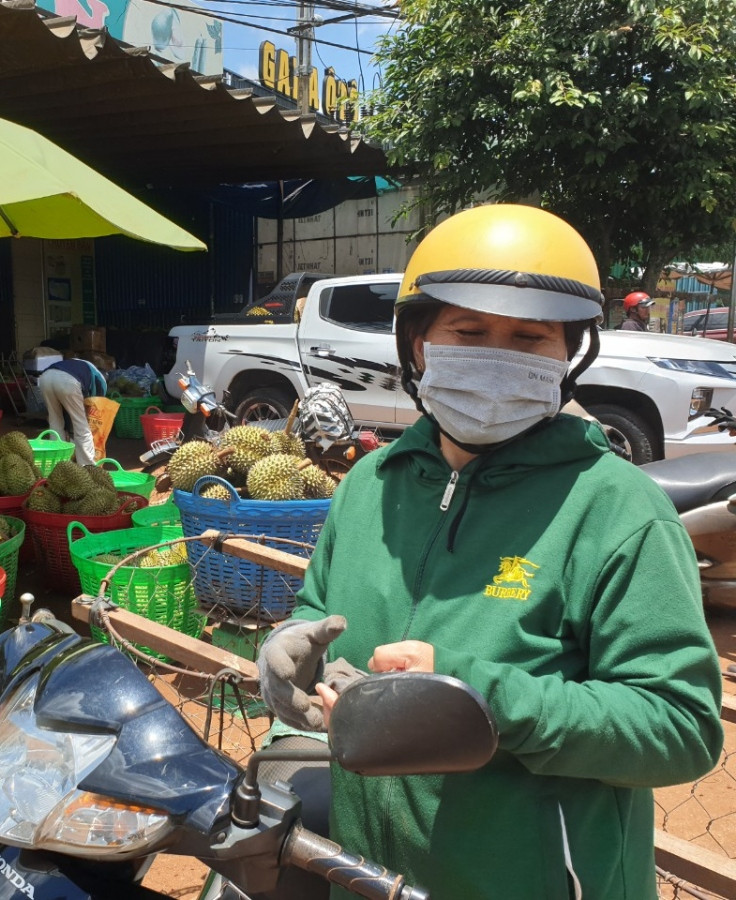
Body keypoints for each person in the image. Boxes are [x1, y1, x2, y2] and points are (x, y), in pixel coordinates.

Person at [257, 204, 723, 900]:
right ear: (417, 342)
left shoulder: (616, 510)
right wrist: (293, 641)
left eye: (529, 337)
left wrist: (481, 699)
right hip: (371, 875)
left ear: (569, 353)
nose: (497, 356)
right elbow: (324, 606)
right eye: (469, 331)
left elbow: (680, 728)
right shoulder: (368, 487)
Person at [38, 356, 108, 466]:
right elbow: (97, 403)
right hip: (68, 382)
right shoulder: (98, 375)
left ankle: (57, 463)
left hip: (45, 378)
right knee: (82, 427)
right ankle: (87, 467)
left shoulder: (77, 364)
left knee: (55, 422)